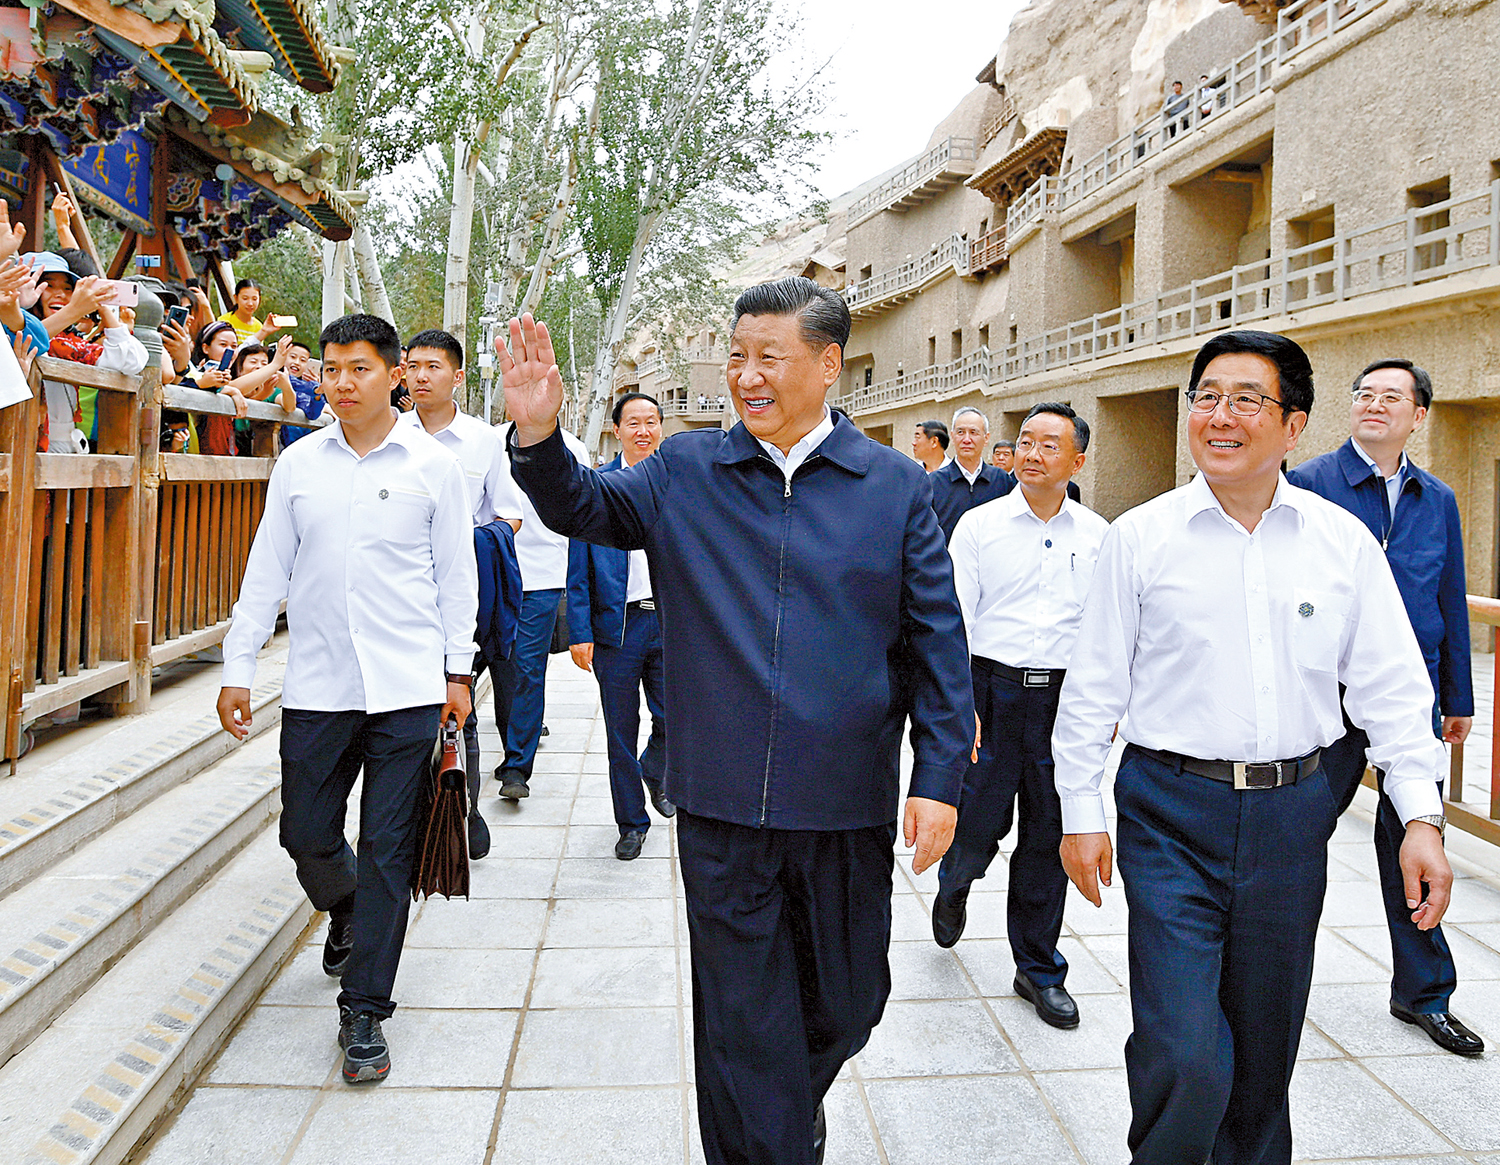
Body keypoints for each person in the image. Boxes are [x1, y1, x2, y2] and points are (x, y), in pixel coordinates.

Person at [499, 277, 974, 1165]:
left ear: (828, 365)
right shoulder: (685, 471)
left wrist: (940, 779)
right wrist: (537, 434)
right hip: (721, 803)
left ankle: (785, 1105)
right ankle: (774, 1136)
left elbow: (937, 645)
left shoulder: (894, 487)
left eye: (769, 357)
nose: (747, 376)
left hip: (845, 803)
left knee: (850, 1001)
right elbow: (584, 505)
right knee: (741, 1018)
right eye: (737, 357)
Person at [1052, 330, 1454, 1165]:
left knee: (1265, 1054)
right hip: (1169, 810)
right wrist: (1079, 809)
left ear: (1293, 424)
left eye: (1246, 399)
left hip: (1292, 816)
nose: (1220, 416)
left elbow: (1392, 688)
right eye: (1206, 397)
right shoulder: (1142, 537)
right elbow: (1092, 687)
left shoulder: (1340, 542)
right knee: (1184, 1049)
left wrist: (1421, 816)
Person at [217, 313, 476, 1087]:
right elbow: (267, 569)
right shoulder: (299, 464)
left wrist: (457, 674)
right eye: (330, 368)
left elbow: (456, 578)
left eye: (357, 368)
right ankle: (350, 907)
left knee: (389, 848)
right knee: (305, 832)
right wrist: (238, 664)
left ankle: (365, 1009)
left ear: (394, 376)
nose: (340, 382)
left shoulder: (434, 467)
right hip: (319, 685)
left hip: (407, 690)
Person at [1287, 358, 1480, 1056]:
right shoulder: (1309, 482)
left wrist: (1456, 694)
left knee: (1418, 839)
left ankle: (1424, 993)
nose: (1374, 404)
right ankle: (1267, 979)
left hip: (1408, 695)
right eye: (1364, 393)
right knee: (1296, 836)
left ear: (1418, 415)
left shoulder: (1438, 499)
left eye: (1391, 396)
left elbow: (1449, 595)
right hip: (1327, 693)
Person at [934, 402, 1107, 1031]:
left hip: (1062, 700)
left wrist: (1104, 707)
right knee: (978, 819)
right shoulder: (979, 526)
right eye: (1026, 441)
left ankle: (1037, 968)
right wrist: (961, 704)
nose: (1032, 454)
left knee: (1047, 833)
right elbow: (956, 617)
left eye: (1048, 445)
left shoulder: (1098, 536)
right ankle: (956, 879)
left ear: (1077, 461)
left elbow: (1107, 629)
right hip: (991, 691)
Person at [402, 328, 524, 858]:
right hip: (401, 600)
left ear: (457, 377)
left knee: (459, 710)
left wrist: (466, 543)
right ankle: (411, 823)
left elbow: (510, 515)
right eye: (413, 366)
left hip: (462, 600)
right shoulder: (388, 434)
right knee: (406, 715)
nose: (421, 376)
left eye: (433, 366)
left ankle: (463, 816)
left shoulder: (483, 441)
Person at [565, 391, 675, 861]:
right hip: (618, 627)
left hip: (670, 623)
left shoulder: (676, 484)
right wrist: (580, 631)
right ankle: (631, 822)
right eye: (634, 422)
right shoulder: (599, 487)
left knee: (675, 718)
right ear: (617, 430)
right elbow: (577, 566)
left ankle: (655, 768)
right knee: (619, 731)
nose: (643, 430)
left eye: (651, 421)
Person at [491, 413, 591, 801]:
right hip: (493, 572)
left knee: (528, 667)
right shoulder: (489, 442)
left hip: (544, 575)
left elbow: (583, 515)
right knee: (502, 666)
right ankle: (511, 741)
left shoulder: (572, 448)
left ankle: (517, 766)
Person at [25, 251, 148, 452]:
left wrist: (103, 308)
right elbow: (29, 339)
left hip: (63, 447)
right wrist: (74, 310)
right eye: (48, 285)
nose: (60, 294)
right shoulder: (10, 329)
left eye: (68, 288)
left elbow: (130, 361)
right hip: (21, 445)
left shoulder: (70, 343)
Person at [928, 405, 1013, 541]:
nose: (966, 439)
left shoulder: (1001, 480)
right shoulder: (934, 482)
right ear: (952, 436)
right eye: (960, 432)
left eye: (974, 432)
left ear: (986, 438)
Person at [217, 278, 280, 345]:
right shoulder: (224, 322)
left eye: (254, 299)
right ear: (236, 298)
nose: (250, 303)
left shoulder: (259, 327)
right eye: (245, 298)